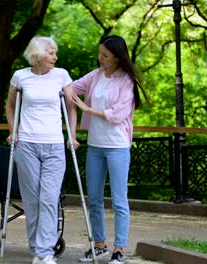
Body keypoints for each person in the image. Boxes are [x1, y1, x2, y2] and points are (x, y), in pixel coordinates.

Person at [71, 35, 147, 264]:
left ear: (116, 56)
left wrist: (87, 108)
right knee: (93, 197)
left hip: (117, 147)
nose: (100, 58)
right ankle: (100, 245)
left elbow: (118, 115)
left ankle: (119, 250)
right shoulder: (95, 76)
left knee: (119, 199)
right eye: (99, 53)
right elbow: (70, 88)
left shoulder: (127, 81)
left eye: (105, 55)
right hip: (95, 145)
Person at [5, 36, 78, 264]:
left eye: (55, 53)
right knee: (33, 199)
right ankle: (38, 249)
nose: (55, 57)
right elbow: (10, 106)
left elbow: (71, 108)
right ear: (38, 55)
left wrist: (72, 136)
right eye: (51, 53)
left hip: (55, 145)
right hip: (26, 145)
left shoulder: (62, 75)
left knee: (49, 198)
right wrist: (12, 131)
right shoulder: (20, 76)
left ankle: (45, 252)